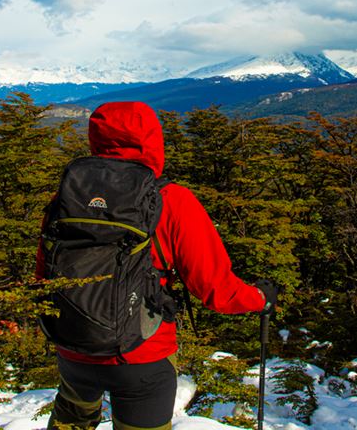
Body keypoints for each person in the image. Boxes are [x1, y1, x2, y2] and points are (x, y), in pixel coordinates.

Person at [37, 100, 275, 430]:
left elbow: (44, 275)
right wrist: (259, 298)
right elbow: (216, 290)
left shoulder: (66, 198)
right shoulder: (171, 200)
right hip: (143, 355)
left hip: (74, 348)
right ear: (152, 140)